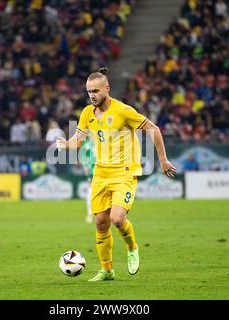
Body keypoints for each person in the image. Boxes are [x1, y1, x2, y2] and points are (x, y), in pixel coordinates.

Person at [57, 67, 176, 281]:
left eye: (96, 91)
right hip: (100, 173)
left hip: (124, 172)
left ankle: (132, 247)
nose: (92, 95)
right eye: (89, 92)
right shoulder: (86, 113)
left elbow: (154, 129)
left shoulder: (123, 111)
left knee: (117, 218)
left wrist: (163, 160)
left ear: (107, 88)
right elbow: (78, 142)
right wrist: (65, 144)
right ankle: (107, 270)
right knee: (101, 222)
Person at [79, 137, 96, 224]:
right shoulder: (85, 142)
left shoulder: (101, 137)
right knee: (91, 188)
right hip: (92, 168)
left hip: (104, 168)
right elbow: (83, 155)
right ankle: (90, 213)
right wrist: (85, 165)